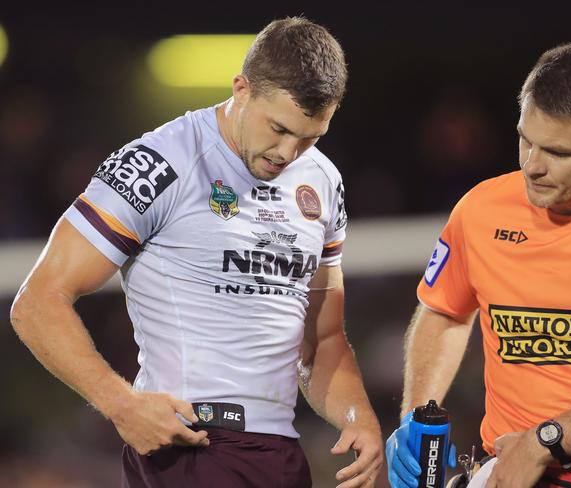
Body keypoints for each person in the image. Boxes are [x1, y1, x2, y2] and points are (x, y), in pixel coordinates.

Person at [10, 17, 383, 488]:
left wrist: (359, 417)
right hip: (190, 447)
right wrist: (121, 404)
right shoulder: (160, 163)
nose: (289, 153)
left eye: (310, 138)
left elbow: (323, 340)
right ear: (242, 89)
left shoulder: (323, 182)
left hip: (279, 456)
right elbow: (38, 302)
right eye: (279, 129)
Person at [385, 42, 571, 488]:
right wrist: (415, 414)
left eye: (558, 153)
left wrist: (544, 441)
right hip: (506, 470)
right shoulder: (481, 210)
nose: (532, 165)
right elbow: (446, 312)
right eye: (525, 139)